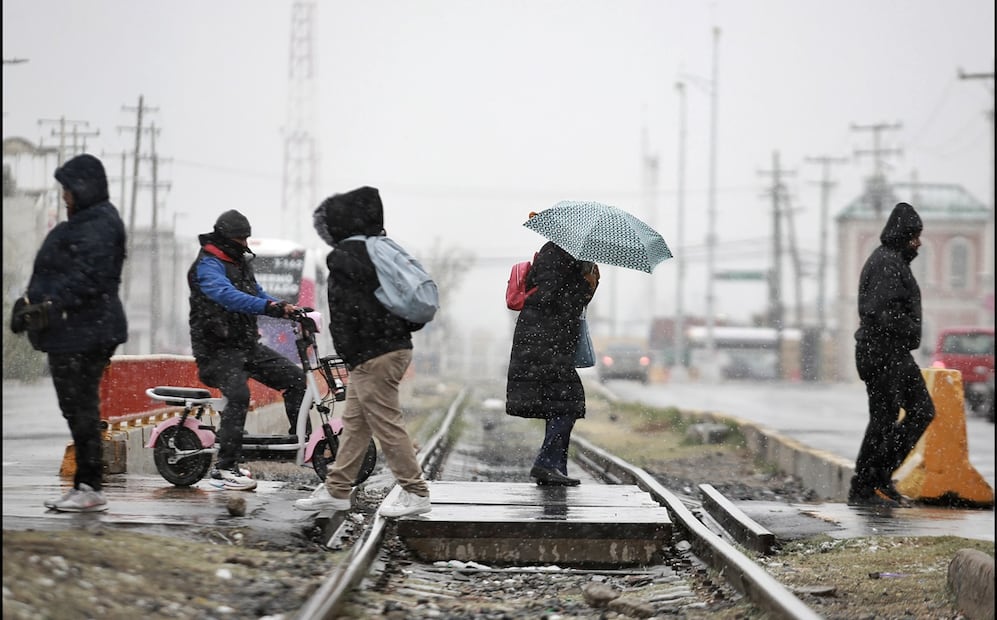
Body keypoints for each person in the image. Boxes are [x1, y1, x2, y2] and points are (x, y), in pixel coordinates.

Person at [296, 185, 432, 517]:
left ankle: (416, 491)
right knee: (356, 423)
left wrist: (351, 346)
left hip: (373, 355)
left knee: (386, 422)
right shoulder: (378, 250)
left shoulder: (345, 258)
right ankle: (337, 489)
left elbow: (346, 313)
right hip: (389, 348)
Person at [20, 154, 128, 512]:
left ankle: (89, 486)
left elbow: (89, 277)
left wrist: (50, 304)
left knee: (80, 407)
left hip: (85, 331)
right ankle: (87, 484)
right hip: (77, 329)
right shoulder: (87, 221)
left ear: (84, 188)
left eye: (68, 189)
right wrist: (31, 305)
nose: (64, 197)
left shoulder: (98, 223)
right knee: (76, 407)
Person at [188, 209, 307, 491]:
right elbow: (226, 296)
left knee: (297, 380)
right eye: (240, 238)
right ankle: (225, 467)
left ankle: (298, 445)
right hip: (216, 351)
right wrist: (268, 307)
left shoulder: (241, 263)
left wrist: (286, 309)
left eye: (246, 238)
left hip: (246, 346)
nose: (244, 243)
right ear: (225, 237)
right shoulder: (207, 266)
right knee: (239, 395)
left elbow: (257, 294)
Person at [848, 201, 935, 507]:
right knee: (884, 419)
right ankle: (864, 485)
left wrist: (906, 332)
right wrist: (909, 327)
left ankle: (878, 477)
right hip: (883, 352)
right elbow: (878, 312)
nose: (918, 243)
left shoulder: (893, 261)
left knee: (921, 411)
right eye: (914, 236)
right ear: (902, 235)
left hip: (893, 352)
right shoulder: (886, 263)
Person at [506, 227, 599, 486]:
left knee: (560, 405)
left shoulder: (564, 258)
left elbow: (565, 301)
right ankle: (547, 464)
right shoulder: (555, 256)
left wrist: (588, 281)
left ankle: (556, 468)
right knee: (567, 403)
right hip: (544, 346)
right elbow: (552, 298)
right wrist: (584, 284)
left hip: (548, 345)